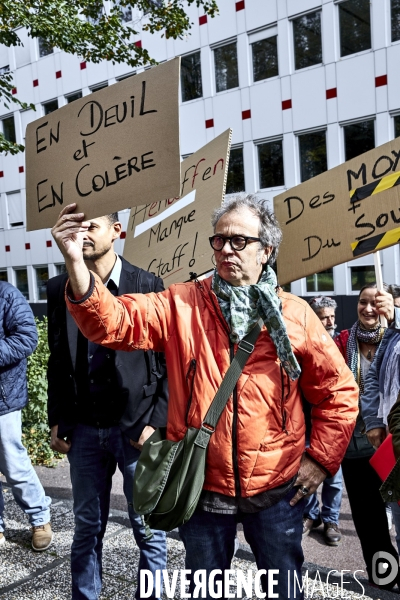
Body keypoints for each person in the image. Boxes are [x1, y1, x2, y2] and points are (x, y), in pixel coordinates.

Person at [51, 195, 359, 600]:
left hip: (276, 487)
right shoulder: (183, 303)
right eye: (219, 241)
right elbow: (111, 322)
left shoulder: (295, 314)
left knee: (283, 589)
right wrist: (75, 260)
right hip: (202, 484)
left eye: (239, 241)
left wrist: (319, 459)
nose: (226, 249)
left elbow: (339, 392)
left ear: (266, 250)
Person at [47, 213, 168, 600]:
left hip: (135, 428)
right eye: (75, 228)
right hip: (83, 428)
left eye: (91, 227)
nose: (81, 235)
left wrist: (156, 422)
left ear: (118, 231)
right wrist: (58, 418)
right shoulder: (57, 289)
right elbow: (57, 358)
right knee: (86, 527)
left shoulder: (148, 284)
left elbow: (169, 362)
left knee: (148, 527)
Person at [335, 284, 400, 590]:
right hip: (357, 447)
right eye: (363, 302)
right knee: (369, 521)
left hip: (393, 447)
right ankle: (384, 578)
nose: (368, 308)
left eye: (376, 302)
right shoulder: (343, 342)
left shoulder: (396, 339)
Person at [0, 280, 53, 551]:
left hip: (3, 398)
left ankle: (40, 518)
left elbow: (27, 338)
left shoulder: (6, 294)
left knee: (13, 464)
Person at [361, 283, 400, 553]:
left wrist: (397, 315)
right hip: (392, 440)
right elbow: (373, 377)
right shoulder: (390, 337)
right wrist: (374, 421)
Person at [302, 296, 343, 546]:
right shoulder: (305, 342)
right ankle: (310, 515)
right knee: (307, 469)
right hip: (307, 419)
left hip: (334, 422)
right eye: (324, 316)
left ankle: (331, 519)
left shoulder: (342, 342)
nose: (329, 321)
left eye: (332, 316)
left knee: (334, 477)